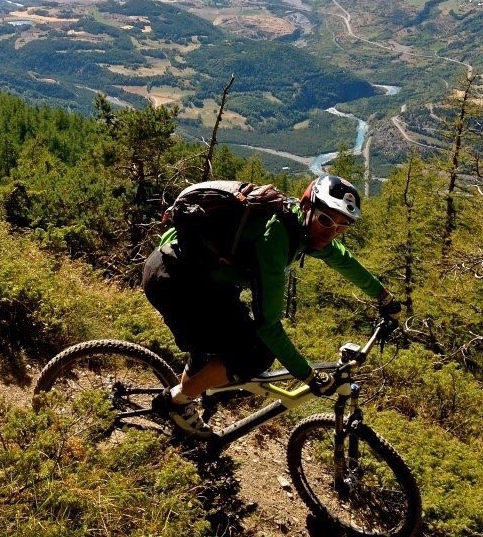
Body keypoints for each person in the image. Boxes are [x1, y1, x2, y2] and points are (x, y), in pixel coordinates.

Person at [141, 174, 400, 438]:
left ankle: (201, 382)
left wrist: (384, 297)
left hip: (205, 280)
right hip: (175, 282)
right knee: (256, 355)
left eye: (342, 227)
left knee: (227, 345)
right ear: (308, 207)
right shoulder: (275, 238)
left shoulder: (305, 229)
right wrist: (309, 376)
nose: (332, 232)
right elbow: (269, 325)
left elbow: (342, 259)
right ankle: (175, 402)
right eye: (326, 220)